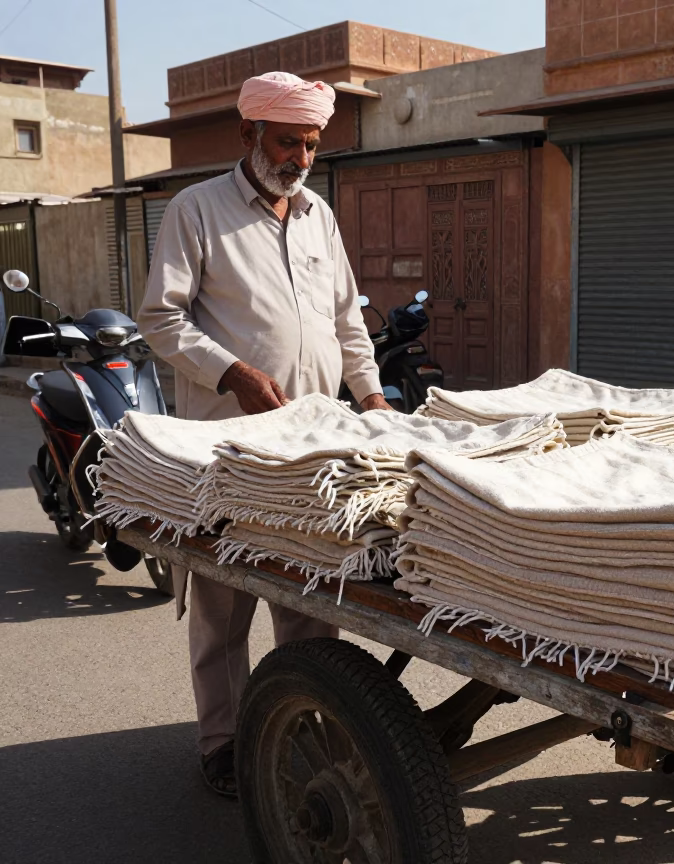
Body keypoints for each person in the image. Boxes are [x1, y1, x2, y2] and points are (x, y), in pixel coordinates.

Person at [138, 71, 389, 797]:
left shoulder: (319, 216)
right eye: (288, 141)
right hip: (227, 448)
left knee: (311, 601)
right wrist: (232, 372)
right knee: (222, 609)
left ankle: (303, 724)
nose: (301, 157)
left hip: (312, 446)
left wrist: (371, 395)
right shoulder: (196, 210)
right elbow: (161, 317)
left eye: (311, 144)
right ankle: (223, 743)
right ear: (248, 135)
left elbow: (347, 321)